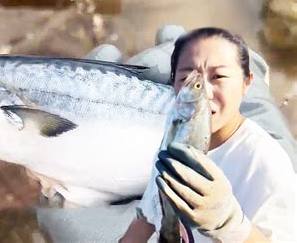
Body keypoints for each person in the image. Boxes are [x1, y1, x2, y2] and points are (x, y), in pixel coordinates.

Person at [119, 27, 296, 242]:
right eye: (186, 77)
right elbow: (148, 217)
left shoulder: (266, 162)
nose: (206, 93)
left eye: (218, 76)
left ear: (246, 83)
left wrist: (229, 223)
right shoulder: (174, 140)